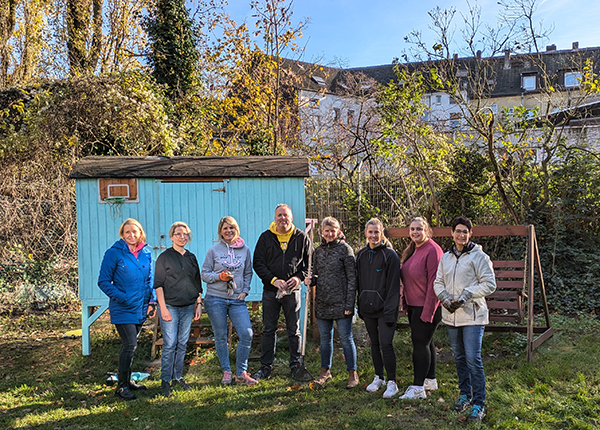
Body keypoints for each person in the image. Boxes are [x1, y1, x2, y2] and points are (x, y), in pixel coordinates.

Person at [434, 215, 496, 423]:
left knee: (472, 358)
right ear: (452, 233)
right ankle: (465, 395)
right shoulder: (446, 257)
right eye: (457, 231)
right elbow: (438, 282)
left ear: (470, 233)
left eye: (465, 231)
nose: (461, 235)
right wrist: (444, 297)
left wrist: (467, 294)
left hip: (473, 314)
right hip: (451, 315)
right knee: (459, 358)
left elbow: (489, 284)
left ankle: (479, 403)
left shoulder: (479, 257)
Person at [252, 204, 314, 382]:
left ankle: (296, 365)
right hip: (271, 291)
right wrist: (273, 280)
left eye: (285, 215)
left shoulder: (302, 237)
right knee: (269, 330)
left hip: (292, 291)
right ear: (274, 217)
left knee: (294, 330)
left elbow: (310, 264)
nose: (282, 218)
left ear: (291, 217)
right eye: (279, 215)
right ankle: (265, 367)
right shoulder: (265, 238)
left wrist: (298, 278)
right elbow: (258, 263)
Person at [98, 218, 155, 401]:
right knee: (130, 344)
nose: (131, 235)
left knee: (131, 346)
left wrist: (151, 302)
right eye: (127, 232)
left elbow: (150, 280)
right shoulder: (114, 253)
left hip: (141, 307)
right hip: (122, 308)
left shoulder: (146, 253)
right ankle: (121, 387)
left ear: (140, 234)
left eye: (135, 232)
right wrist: (122, 297)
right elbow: (104, 281)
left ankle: (128, 380)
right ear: (122, 234)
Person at [201, 216, 257, 386]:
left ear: (236, 230)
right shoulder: (213, 250)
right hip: (215, 298)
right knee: (220, 336)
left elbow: (248, 272)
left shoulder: (245, 250)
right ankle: (226, 370)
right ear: (220, 231)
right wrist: (219, 276)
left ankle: (241, 372)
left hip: (236, 299)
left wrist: (245, 291)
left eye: (231, 228)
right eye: (225, 228)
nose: (228, 231)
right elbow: (204, 274)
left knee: (247, 334)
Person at [305, 217, 359, 388]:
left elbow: (352, 279)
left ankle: (352, 373)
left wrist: (349, 304)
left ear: (338, 231)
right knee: (325, 339)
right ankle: (325, 371)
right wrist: (310, 280)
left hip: (341, 302)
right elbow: (315, 276)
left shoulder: (345, 250)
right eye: (326, 230)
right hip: (322, 302)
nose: (329, 233)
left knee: (345, 338)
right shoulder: (317, 252)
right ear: (321, 231)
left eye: (333, 230)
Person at [154, 221, 203, 397]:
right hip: (170, 306)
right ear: (172, 236)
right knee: (170, 344)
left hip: (188, 306)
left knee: (182, 343)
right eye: (178, 234)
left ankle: (178, 376)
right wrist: (163, 308)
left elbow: (197, 283)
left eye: (185, 234)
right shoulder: (164, 257)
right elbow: (158, 285)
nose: (182, 237)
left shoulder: (191, 257)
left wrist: (198, 304)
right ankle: (165, 380)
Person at [398, 217, 444, 400]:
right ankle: (430, 379)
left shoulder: (433, 250)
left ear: (426, 230)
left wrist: (428, 311)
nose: (415, 232)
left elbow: (435, 283)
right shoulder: (413, 250)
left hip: (427, 307)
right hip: (414, 306)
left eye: (419, 229)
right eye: (412, 229)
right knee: (427, 342)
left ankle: (418, 388)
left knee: (419, 344)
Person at [356, 218, 401, 398]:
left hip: (385, 309)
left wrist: (390, 311)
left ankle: (392, 382)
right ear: (366, 233)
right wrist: (360, 304)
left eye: (377, 232)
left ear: (382, 233)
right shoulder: (360, 255)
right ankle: (379, 376)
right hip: (368, 308)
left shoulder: (390, 256)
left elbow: (393, 287)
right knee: (374, 344)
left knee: (386, 344)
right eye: (370, 232)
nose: (373, 235)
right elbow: (358, 282)